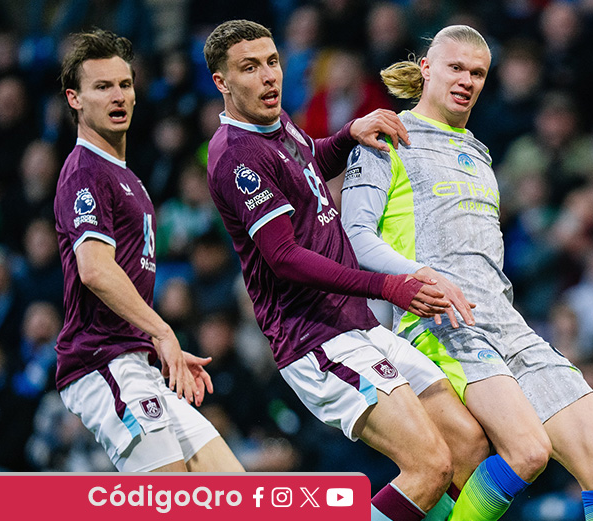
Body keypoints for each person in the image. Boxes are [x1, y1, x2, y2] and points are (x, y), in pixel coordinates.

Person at [341, 25, 593, 521]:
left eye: (478, 73)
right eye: (456, 67)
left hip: (506, 320)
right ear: (426, 69)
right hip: (440, 320)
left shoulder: (479, 152)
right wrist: (421, 279)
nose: (467, 80)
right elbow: (356, 237)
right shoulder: (386, 138)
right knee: (524, 453)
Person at [201, 20, 490, 521]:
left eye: (272, 61)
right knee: (429, 466)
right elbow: (284, 257)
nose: (269, 77)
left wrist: (346, 135)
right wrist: (387, 286)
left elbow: (307, 163)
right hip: (315, 340)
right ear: (222, 83)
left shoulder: (274, 123)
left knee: (468, 446)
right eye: (250, 68)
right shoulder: (236, 156)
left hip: (357, 324)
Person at [54, 29, 243, 473]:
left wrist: (157, 348)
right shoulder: (85, 172)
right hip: (101, 363)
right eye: (101, 87)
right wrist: (163, 333)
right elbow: (95, 271)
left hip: (137, 362)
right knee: (170, 502)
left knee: (234, 491)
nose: (117, 96)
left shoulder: (130, 178)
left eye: (124, 84)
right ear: (74, 99)